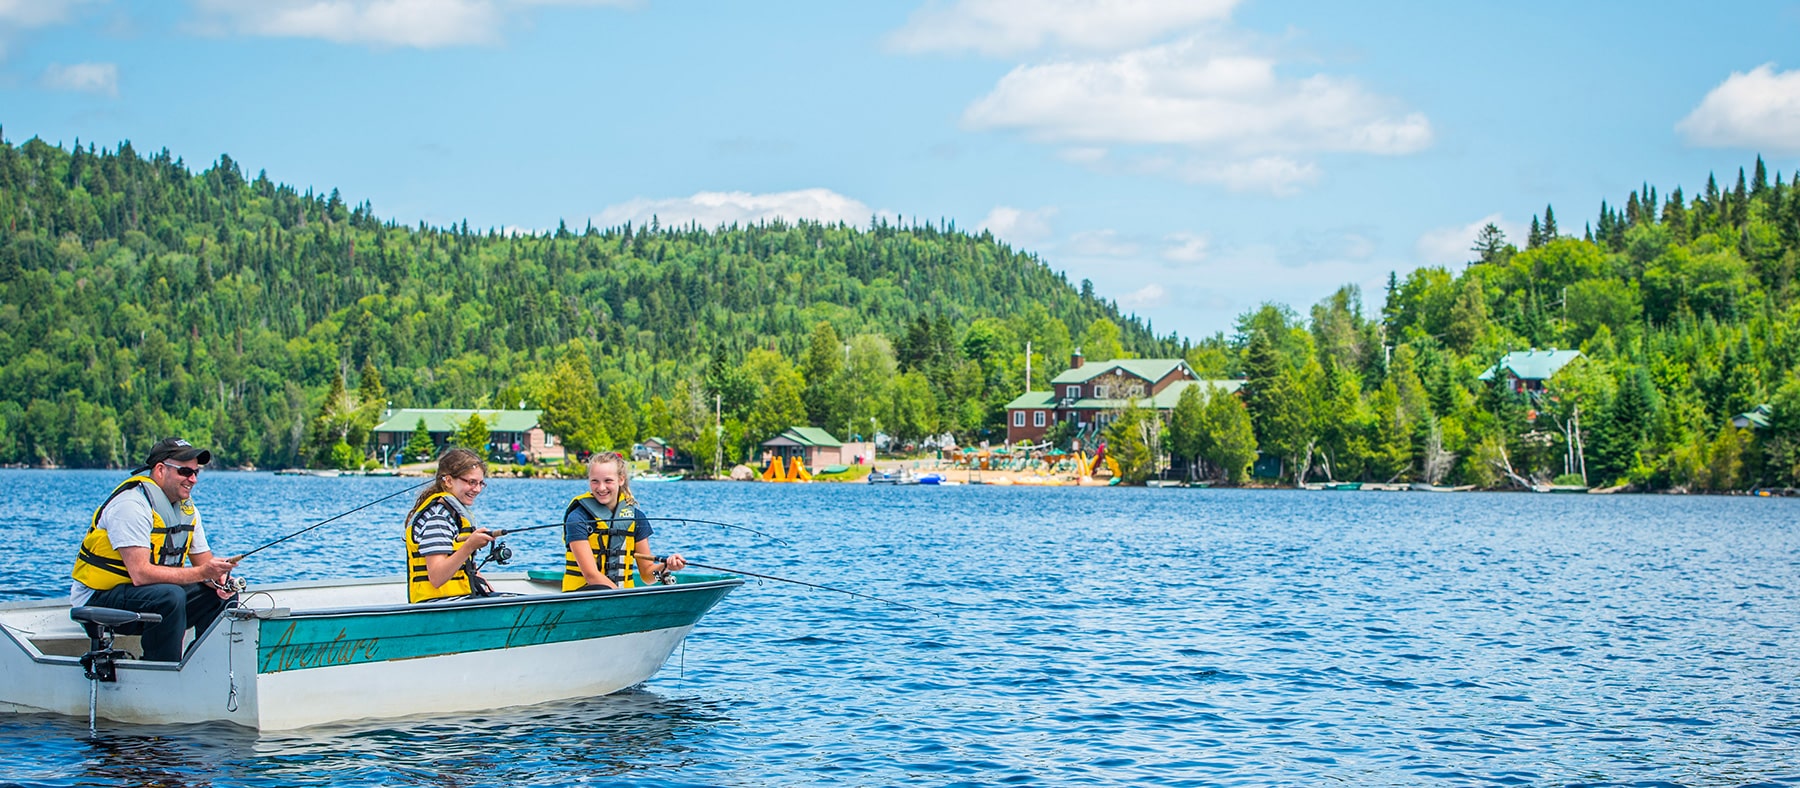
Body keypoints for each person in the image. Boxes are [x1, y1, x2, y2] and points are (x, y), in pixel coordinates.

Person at [70, 437, 239, 662]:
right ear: (160, 470)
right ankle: (161, 672)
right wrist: (202, 574)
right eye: (185, 472)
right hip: (98, 598)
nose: (193, 479)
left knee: (219, 596)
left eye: (196, 473)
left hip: (150, 597)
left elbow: (204, 565)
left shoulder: (188, 512)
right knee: (170, 596)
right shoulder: (131, 505)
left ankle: (201, 667)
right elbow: (140, 574)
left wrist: (220, 580)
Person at [562, 451, 685, 591]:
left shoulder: (636, 518)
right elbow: (591, 575)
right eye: (594, 481)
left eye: (608, 481)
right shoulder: (577, 518)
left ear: (621, 480)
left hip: (619, 597)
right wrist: (623, 600)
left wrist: (667, 567)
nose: (601, 488)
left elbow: (647, 575)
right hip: (583, 596)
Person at [403, 447, 496, 603]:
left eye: (481, 483)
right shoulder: (438, 517)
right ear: (448, 481)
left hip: (459, 600)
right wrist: (469, 546)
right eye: (471, 482)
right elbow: (437, 577)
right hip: (437, 606)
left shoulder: (453, 515)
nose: (477, 489)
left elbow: (465, 568)